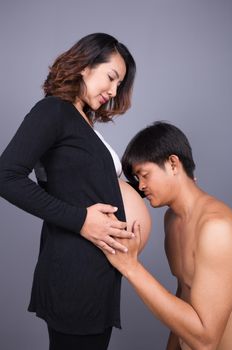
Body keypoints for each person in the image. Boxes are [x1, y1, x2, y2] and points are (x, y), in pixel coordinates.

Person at [0, 33, 151, 350]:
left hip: (96, 272)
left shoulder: (81, 120)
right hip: (75, 273)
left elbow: (85, 185)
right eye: (111, 77)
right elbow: (6, 176)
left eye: (118, 85)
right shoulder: (53, 111)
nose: (112, 92)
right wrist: (81, 220)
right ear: (85, 64)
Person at [103, 121, 232, 350]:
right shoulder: (172, 220)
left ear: (173, 163)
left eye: (144, 174)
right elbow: (184, 298)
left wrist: (131, 267)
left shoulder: (217, 228)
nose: (141, 186)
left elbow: (206, 340)